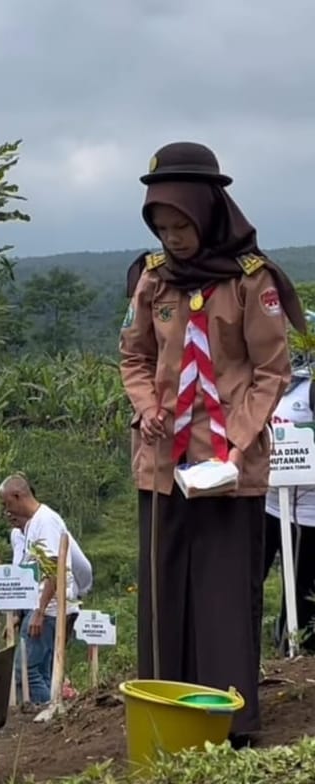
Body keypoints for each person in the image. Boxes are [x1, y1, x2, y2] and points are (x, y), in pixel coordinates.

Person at [119, 142, 303, 745]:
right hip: (164, 463)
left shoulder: (252, 282)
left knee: (225, 590)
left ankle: (231, 721)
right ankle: (165, 712)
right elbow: (135, 356)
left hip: (229, 466)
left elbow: (272, 371)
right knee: (163, 591)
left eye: (182, 225)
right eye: (162, 226)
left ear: (209, 211)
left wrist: (234, 442)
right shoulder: (152, 279)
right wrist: (147, 408)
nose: (173, 238)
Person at [0, 475, 79, 704]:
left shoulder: (46, 521)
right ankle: (53, 712)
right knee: (41, 671)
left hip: (48, 609)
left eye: (7, 503)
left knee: (26, 672)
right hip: (38, 608)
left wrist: (40, 611)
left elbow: (54, 568)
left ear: (17, 496)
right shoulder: (33, 524)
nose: (6, 510)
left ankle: (50, 712)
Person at [264, 321, 315, 653]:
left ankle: (293, 651)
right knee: (247, 579)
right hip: (266, 503)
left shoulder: (309, 390)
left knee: (299, 591)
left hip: (307, 512)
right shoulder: (277, 387)